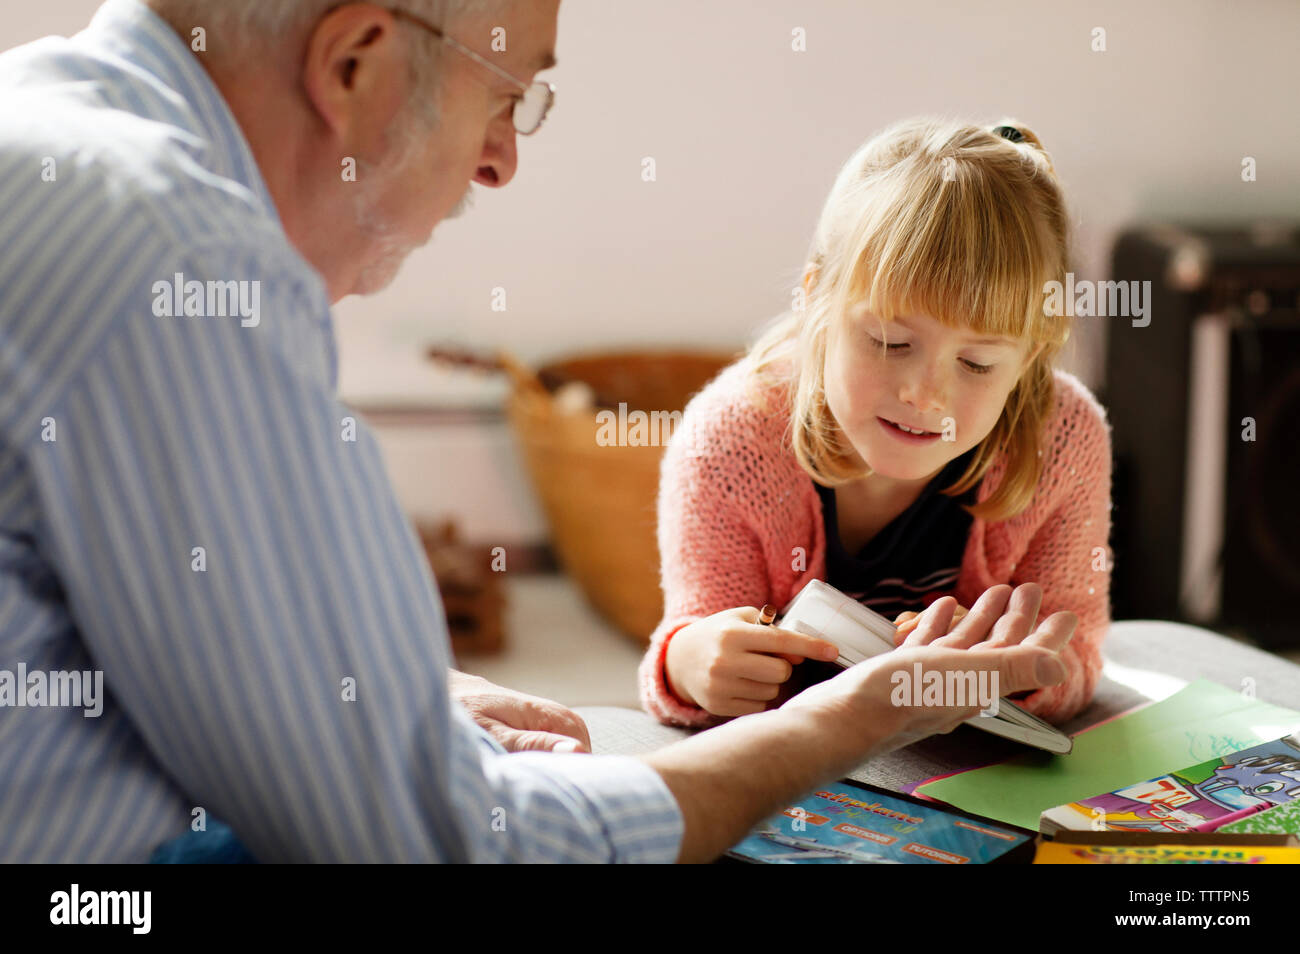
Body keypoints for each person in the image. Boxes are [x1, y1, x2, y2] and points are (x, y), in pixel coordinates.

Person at [0, 0, 1076, 863]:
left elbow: (99, 617)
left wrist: (393, 695)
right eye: (508, 94)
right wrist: (853, 718)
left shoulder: (43, 124)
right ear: (356, 64)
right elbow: (440, 844)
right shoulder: (181, 259)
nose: (502, 161)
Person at [640, 117, 1113, 729]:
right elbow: (696, 638)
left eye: (977, 362)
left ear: (1030, 357)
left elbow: (1078, 651)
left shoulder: (1065, 439)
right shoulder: (727, 443)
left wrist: (1007, 670)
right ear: (815, 299)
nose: (924, 394)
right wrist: (688, 663)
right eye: (889, 342)